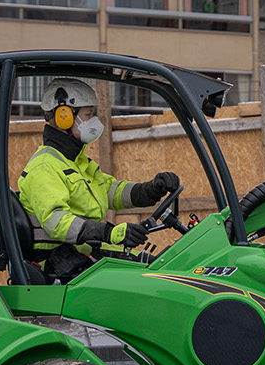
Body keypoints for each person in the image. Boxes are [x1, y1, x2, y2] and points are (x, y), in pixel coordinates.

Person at [18, 77, 181, 282]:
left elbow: (110, 191)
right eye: (88, 115)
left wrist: (150, 190)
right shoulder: (44, 167)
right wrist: (109, 233)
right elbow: (57, 222)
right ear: (64, 115)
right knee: (151, 279)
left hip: (83, 256)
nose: (93, 122)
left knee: (157, 267)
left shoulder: (76, 163)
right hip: (63, 266)